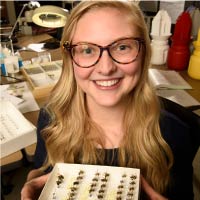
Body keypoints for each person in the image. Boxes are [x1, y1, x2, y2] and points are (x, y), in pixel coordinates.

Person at [21, 1, 194, 200]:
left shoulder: (174, 133)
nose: (106, 68)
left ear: (144, 53)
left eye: (122, 47)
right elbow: (40, 171)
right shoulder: (52, 119)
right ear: (69, 58)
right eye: (87, 50)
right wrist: (33, 182)